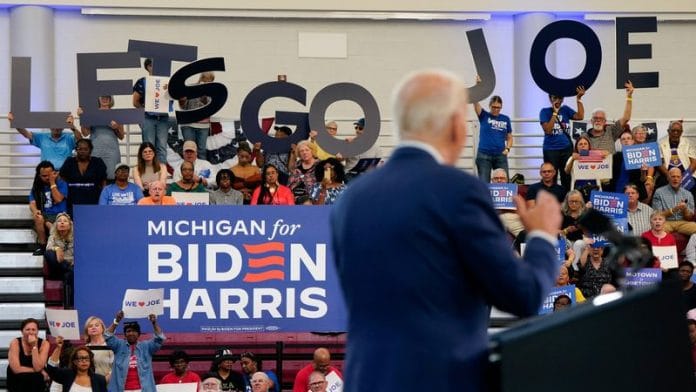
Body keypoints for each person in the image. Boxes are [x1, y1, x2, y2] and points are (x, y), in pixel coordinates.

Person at [330, 69, 561, 391]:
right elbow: (522, 295)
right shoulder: (459, 190)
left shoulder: (351, 199)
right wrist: (541, 237)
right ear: (456, 125)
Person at [105, 310, 165, 392]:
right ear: (125, 335)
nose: (131, 333)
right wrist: (117, 321)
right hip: (121, 389)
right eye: (128, 331)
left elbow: (159, 339)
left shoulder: (146, 346)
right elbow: (107, 336)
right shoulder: (119, 345)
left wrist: (154, 323)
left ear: (139, 334)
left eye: (134, 331)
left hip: (143, 389)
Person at [539, 87, 586, 191]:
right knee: (551, 176)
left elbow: (580, 116)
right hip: (551, 150)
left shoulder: (565, 109)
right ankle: (552, 200)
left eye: (560, 98)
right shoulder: (545, 112)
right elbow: (548, 130)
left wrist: (578, 99)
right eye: (555, 97)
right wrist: (554, 113)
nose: (557, 100)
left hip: (566, 148)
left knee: (567, 175)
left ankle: (566, 199)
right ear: (550, 99)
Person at [8, 111, 82, 170]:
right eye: (54, 125)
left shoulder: (69, 137)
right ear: (49, 126)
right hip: (46, 174)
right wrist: (15, 123)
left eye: (59, 125)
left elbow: (80, 140)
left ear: (63, 127)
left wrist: (72, 126)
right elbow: (26, 134)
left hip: (65, 174)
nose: (56, 128)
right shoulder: (42, 137)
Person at [472, 78, 513, 182]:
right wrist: (477, 86)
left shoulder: (505, 119)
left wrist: (507, 149)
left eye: (498, 107)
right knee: (484, 184)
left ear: (501, 107)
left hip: (500, 155)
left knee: (504, 183)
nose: (496, 109)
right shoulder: (484, 115)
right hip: (484, 155)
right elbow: (475, 102)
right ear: (490, 106)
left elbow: (509, 137)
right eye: (494, 107)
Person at [133, 58, 170, 165]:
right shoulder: (142, 82)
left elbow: (173, 98)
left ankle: (161, 175)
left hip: (163, 118)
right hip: (148, 118)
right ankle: (148, 174)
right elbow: (135, 102)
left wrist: (169, 89)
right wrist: (147, 109)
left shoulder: (167, 81)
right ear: (148, 67)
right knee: (148, 147)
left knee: (162, 147)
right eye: (154, 65)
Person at [78, 96, 125, 179]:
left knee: (112, 176)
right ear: (98, 98)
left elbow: (121, 136)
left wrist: (116, 127)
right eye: (102, 96)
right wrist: (83, 117)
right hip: (95, 150)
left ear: (111, 99)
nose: (105, 98)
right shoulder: (92, 113)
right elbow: (85, 133)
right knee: (95, 176)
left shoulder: (116, 113)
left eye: (107, 96)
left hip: (112, 151)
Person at [59, 138, 108, 216]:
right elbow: (62, 178)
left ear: (90, 150)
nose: (82, 152)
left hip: (93, 199)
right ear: (76, 150)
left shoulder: (98, 162)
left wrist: (103, 199)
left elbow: (103, 182)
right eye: (80, 149)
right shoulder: (69, 162)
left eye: (86, 149)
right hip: (73, 200)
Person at [29, 160, 68, 255]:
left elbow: (58, 199)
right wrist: (35, 211)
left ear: (54, 173)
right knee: (39, 218)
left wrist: (52, 183)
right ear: (39, 176)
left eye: (49, 175)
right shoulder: (37, 187)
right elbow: (32, 203)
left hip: (60, 215)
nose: (47, 178)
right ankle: (43, 246)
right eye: (44, 176)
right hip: (45, 214)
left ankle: (59, 243)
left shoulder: (62, 183)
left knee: (51, 223)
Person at [584, 81, 634, 154]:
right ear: (591, 121)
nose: (598, 121)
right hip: (591, 164)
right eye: (595, 118)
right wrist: (599, 153)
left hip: (611, 164)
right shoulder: (584, 136)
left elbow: (626, 118)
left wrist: (629, 97)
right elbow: (581, 154)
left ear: (605, 121)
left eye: (601, 119)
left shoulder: (611, 131)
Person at [6, 318, 51, 392]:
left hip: (36, 375)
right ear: (22, 331)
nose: (31, 332)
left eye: (34, 329)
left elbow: (38, 367)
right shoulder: (15, 342)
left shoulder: (44, 344)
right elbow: (16, 369)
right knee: (25, 377)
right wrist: (40, 371)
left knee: (37, 378)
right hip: (18, 375)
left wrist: (34, 346)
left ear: (37, 331)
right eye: (27, 329)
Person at [179, 71, 214, 160]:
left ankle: (202, 172)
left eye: (211, 81)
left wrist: (205, 98)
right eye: (206, 80)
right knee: (189, 149)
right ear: (201, 78)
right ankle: (188, 170)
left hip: (203, 125)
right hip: (189, 124)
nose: (208, 82)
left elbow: (212, 107)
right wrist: (181, 100)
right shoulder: (191, 88)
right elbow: (183, 106)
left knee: (201, 150)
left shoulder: (213, 91)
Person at [652, 167, 696, 235]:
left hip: (683, 223)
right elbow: (658, 215)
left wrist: (685, 209)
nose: (675, 179)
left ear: (681, 179)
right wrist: (674, 210)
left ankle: (690, 246)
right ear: (668, 178)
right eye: (673, 176)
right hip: (666, 222)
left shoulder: (688, 194)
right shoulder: (659, 192)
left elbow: (689, 217)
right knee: (657, 229)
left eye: (678, 177)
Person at [44, 212, 75, 307]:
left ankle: (68, 305)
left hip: (70, 267)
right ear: (56, 225)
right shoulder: (53, 236)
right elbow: (48, 248)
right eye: (59, 221)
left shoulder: (75, 238)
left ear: (70, 225)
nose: (62, 223)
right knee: (49, 253)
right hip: (57, 268)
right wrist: (57, 249)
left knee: (69, 274)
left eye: (65, 221)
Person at [609, 130, 649, 202]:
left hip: (633, 192)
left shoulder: (639, 156)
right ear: (620, 142)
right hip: (617, 191)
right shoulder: (615, 157)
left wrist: (643, 172)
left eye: (628, 138)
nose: (626, 141)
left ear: (633, 141)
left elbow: (642, 180)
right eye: (623, 139)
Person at [657, 120, 696, 186]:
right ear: (668, 131)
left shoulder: (688, 143)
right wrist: (668, 175)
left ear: (681, 132)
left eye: (678, 131)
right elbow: (659, 163)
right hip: (667, 174)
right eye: (673, 130)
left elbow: (694, 162)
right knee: (661, 185)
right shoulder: (660, 143)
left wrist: (686, 176)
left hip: (686, 174)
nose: (675, 133)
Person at [83, 316, 114, 382]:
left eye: (97, 325)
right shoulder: (84, 349)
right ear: (87, 330)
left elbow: (116, 367)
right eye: (90, 326)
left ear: (102, 329)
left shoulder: (110, 346)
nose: (93, 327)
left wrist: (104, 380)